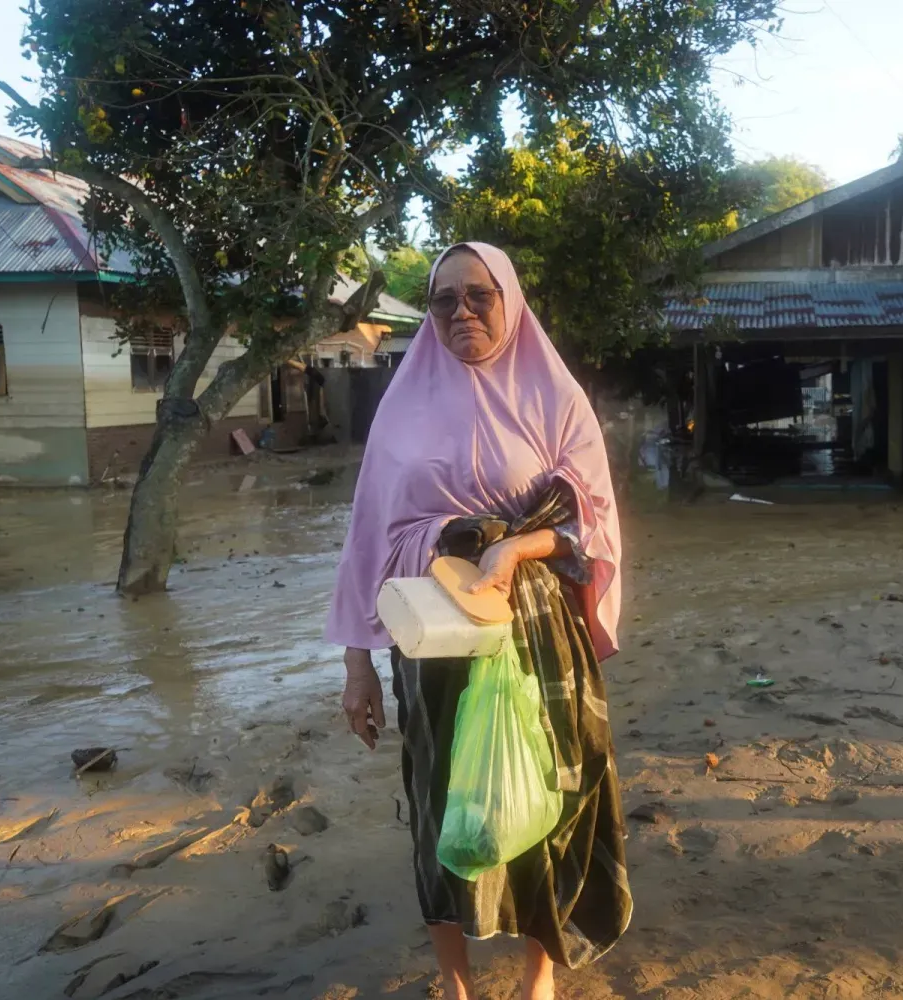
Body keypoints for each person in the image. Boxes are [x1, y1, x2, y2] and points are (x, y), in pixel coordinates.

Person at [325, 242, 631, 1000]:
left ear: (509, 299)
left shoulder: (555, 398)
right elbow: (368, 538)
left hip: (536, 633)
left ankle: (538, 977)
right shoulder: (401, 408)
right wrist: (358, 665)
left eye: (478, 295)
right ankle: (455, 982)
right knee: (442, 800)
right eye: (443, 300)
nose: (461, 311)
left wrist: (515, 546)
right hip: (432, 639)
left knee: (549, 790)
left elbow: (589, 517)